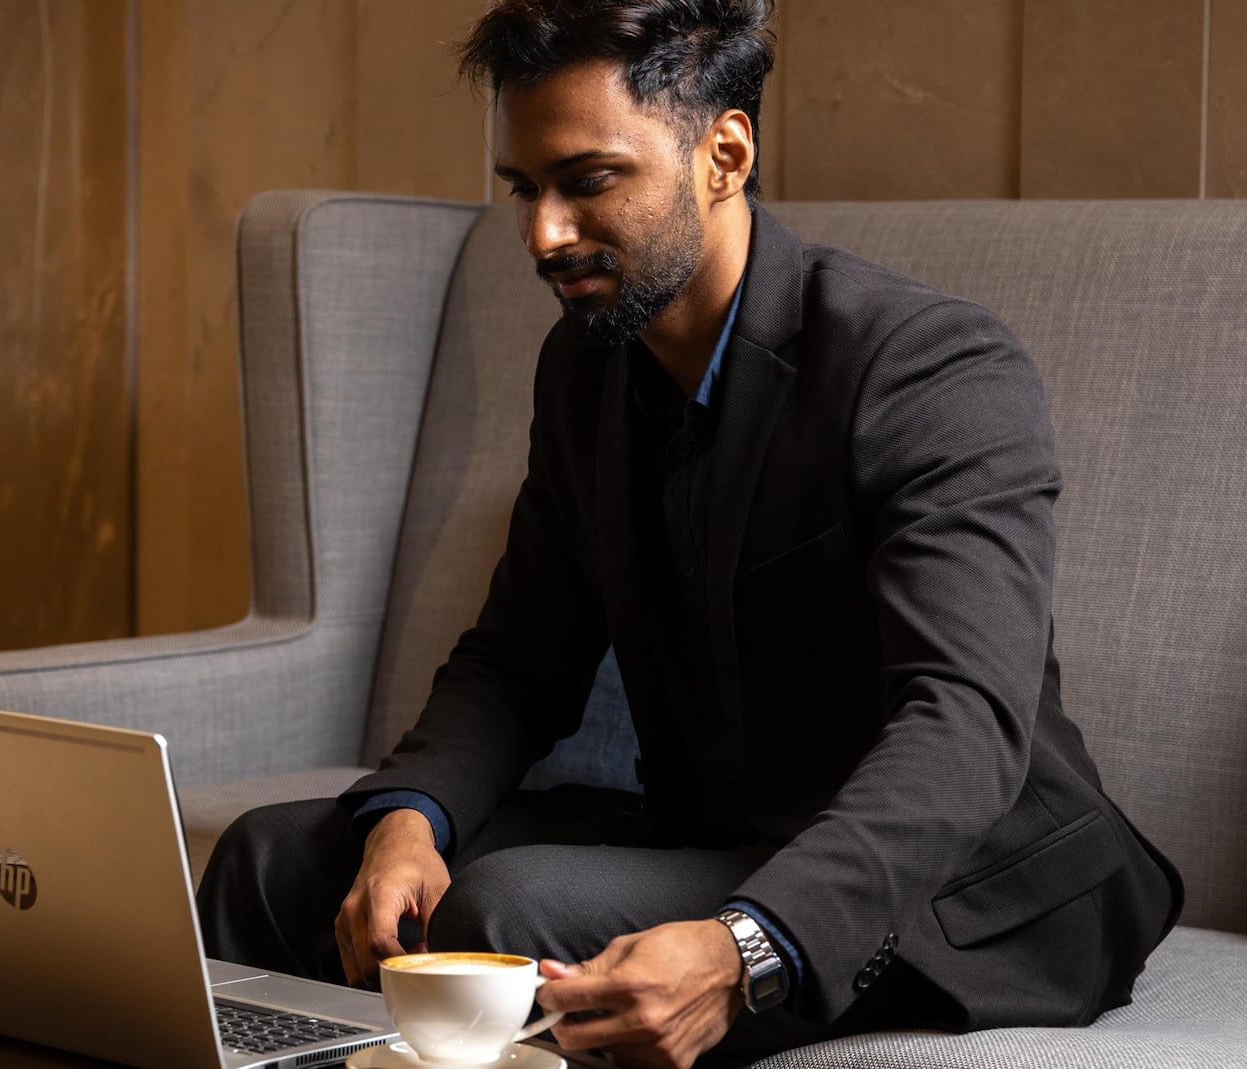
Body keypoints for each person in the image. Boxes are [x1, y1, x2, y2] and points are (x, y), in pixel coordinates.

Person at [196, 1, 1183, 1065]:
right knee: (273, 859)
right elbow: (518, 657)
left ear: (722, 153)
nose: (542, 235)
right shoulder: (584, 369)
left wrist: (744, 946)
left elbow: (962, 727)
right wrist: (411, 816)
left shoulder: (924, 366)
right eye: (525, 189)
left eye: (587, 181)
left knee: (503, 915)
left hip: (969, 881)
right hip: (719, 829)